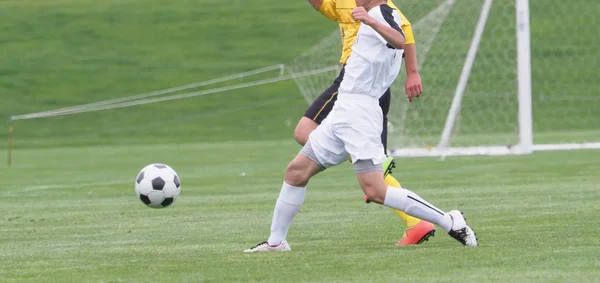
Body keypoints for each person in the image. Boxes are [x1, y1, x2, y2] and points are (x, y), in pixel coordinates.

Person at [244, 0, 478, 253]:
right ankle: (276, 242)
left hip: (361, 113)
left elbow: (400, 40)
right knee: (296, 172)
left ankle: (449, 220)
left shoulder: (383, 12)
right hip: (343, 108)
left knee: (376, 190)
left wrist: (371, 21)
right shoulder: (367, 11)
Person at [295, 0, 433, 246]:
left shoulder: (380, 5)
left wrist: (412, 72)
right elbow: (323, 6)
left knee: (305, 130)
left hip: (359, 83)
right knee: (372, 178)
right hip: (358, 83)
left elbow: (405, 33)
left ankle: (375, 163)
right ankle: (415, 223)